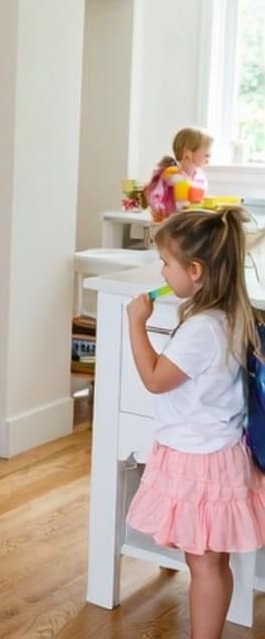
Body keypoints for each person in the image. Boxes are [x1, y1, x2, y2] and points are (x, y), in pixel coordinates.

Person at [125, 207, 265, 639]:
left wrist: (136, 325)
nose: (162, 272)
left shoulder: (201, 329)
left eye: (166, 262)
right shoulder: (231, 315)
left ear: (196, 270)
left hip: (199, 460)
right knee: (212, 562)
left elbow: (155, 379)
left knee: (203, 564)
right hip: (221, 453)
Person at [145, 127, 213, 221]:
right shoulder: (174, 174)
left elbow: (197, 199)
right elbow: (182, 206)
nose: (208, 159)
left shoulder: (198, 176)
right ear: (189, 155)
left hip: (185, 220)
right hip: (170, 222)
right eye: (207, 155)